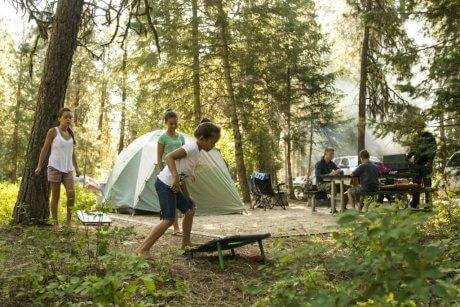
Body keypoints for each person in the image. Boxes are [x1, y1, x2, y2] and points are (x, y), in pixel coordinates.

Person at [136, 121, 221, 258]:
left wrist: (187, 196)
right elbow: (169, 157)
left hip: (173, 186)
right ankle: (143, 249)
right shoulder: (191, 148)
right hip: (165, 184)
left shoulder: (197, 153)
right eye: (212, 141)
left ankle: (185, 244)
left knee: (190, 209)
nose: (214, 145)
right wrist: (174, 176)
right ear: (202, 139)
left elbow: (182, 176)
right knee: (169, 219)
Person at [34, 107, 81, 229]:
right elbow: (45, 149)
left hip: (68, 169)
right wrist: (39, 165)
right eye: (66, 117)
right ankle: (55, 223)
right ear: (59, 118)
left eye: (70, 117)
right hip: (54, 167)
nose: (68, 119)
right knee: (56, 195)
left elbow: (72, 153)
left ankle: (68, 221)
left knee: (71, 194)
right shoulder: (53, 131)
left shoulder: (70, 133)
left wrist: (77, 168)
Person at [157, 109, 186, 235]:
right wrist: (161, 171)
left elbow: (185, 154)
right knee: (172, 198)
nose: (173, 126)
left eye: (175, 123)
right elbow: (159, 157)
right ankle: (176, 227)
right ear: (166, 123)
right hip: (168, 172)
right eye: (171, 124)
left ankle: (186, 226)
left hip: (180, 171)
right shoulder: (162, 138)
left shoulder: (181, 137)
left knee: (185, 198)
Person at [407, 131, 437, 208]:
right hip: (425, 165)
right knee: (426, 185)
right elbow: (433, 152)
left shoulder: (419, 139)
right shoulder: (432, 139)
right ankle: (428, 204)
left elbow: (413, 151)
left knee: (416, 185)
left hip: (418, 165)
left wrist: (407, 157)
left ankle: (415, 203)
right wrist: (430, 163)